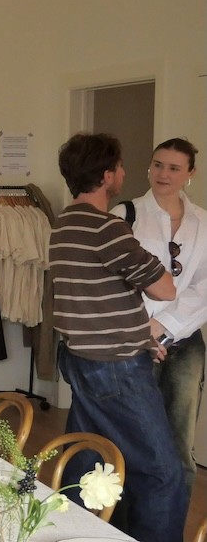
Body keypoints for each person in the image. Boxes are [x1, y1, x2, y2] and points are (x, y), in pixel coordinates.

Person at [49, 132, 183, 542]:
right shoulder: (108, 228)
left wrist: (140, 334)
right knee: (162, 473)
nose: (124, 173)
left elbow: (92, 298)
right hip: (117, 368)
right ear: (107, 176)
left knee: (88, 460)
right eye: (120, 166)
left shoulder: (64, 224)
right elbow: (165, 289)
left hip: (81, 357)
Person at [113, 137, 207, 486]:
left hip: (184, 343)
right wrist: (143, 329)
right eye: (157, 165)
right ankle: (125, 518)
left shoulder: (203, 223)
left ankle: (173, 519)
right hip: (135, 341)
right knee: (131, 437)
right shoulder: (126, 215)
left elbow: (204, 287)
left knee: (180, 443)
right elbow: (112, 283)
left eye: (173, 168)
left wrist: (163, 326)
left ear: (190, 173)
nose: (163, 174)